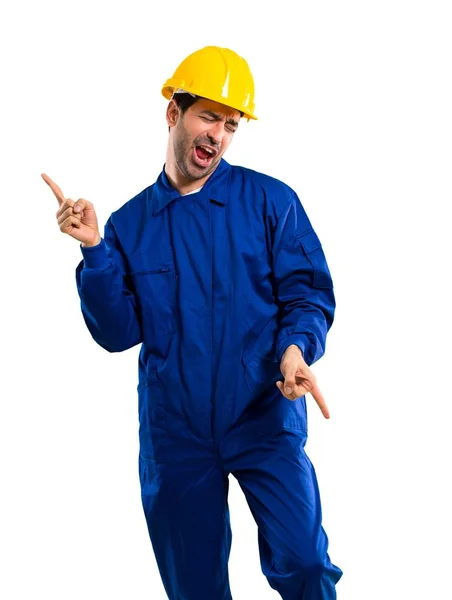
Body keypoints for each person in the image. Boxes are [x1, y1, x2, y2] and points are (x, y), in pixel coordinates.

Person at [43, 45, 343, 599]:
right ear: (172, 113)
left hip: (263, 415)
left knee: (304, 561)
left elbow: (307, 293)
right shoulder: (130, 225)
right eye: (208, 116)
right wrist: (94, 252)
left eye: (231, 124)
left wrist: (296, 349)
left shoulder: (270, 202)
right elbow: (117, 333)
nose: (218, 135)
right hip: (176, 432)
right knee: (194, 588)